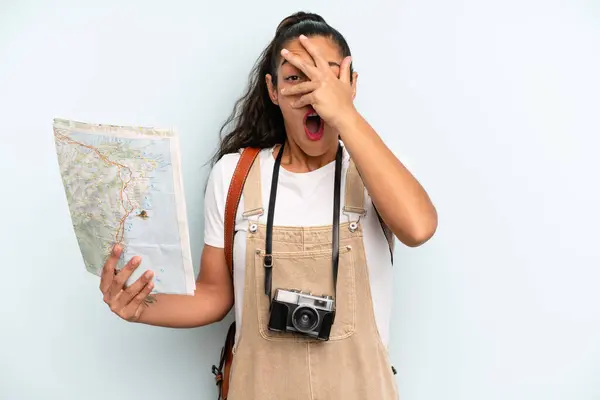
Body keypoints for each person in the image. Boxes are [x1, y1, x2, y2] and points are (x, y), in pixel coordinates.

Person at [99, 11, 437, 400]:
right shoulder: (235, 174)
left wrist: (344, 113)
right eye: (296, 78)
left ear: (351, 85)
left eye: (326, 77)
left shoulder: (377, 170)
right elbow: (215, 294)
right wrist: (140, 306)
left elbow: (418, 227)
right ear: (273, 90)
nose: (313, 93)